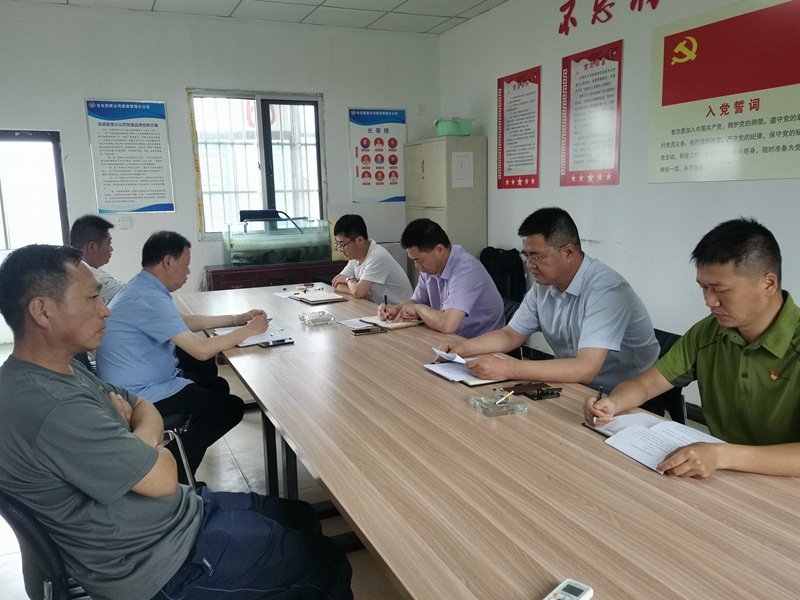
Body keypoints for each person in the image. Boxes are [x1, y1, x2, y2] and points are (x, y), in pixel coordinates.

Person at [0, 244, 352, 600]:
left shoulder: (59, 371)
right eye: (92, 298)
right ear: (42, 311)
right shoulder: (51, 405)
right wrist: (145, 442)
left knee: (301, 516)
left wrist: (134, 437)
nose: (105, 309)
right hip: (161, 563)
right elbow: (165, 476)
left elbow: (140, 405)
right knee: (327, 561)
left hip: (175, 514)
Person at [586, 218, 800, 479]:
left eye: (721, 290)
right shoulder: (708, 332)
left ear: (768, 283)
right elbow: (647, 384)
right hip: (722, 477)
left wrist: (720, 455)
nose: (709, 301)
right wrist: (611, 403)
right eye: (704, 288)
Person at [96, 231, 268, 481]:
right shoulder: (147, 297)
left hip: (144, 382)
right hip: (141, 394)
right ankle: (175, 471)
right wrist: (250, 330)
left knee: (218, 386)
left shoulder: (142, 287)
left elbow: (184, 321)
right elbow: (201, 350)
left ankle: (186, 458)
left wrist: (237, 319)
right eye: (186, 265)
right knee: (230, 409)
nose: (188, 272)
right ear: (168, 262)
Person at [442, 207, 659, 389]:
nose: (530, 265)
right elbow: (510, 335)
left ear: (568, 252)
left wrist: (507, 368)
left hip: (628, 394)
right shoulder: (544, 285)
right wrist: (463, 348)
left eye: (537, 256)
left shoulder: (606, 291)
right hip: (574, 385)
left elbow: (586, 368)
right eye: (526, 255)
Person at [380, 218, 504, 338]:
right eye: (414, 260)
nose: (417, 266)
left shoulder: (466, 270)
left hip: (482, 344)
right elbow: (417, 301)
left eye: (419, 260)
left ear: (439, 249)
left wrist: (418, 309)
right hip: (450, 338)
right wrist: (396, 309)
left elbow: (448, 325)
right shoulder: (430, 268)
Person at [330, 214, 412, 305]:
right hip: (379, 308)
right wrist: (355, 291)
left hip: (399, 310)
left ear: (359, 240)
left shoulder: (377, 256)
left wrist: (348, 280)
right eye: (338, 244)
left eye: (342, 244)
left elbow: (358, 292)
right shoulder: (354, 258)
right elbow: (336, 284)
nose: (340, 249)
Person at [70, 214, 125, 304]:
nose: (111, 249)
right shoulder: (92, 278)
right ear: (92, 247)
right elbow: (134, 297)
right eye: (108, 243)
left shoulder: (68, 268)